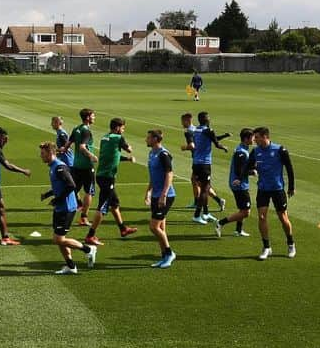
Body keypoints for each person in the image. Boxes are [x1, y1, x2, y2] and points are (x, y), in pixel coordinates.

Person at [38, 141, 96, 274]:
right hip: (60, 207)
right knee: (60, 239)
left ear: (50, 153)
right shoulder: (53, 166)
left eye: (43, 153)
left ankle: (88, 249)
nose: (41, 156)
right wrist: (48, 194)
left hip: (66, 208)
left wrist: (57, 199)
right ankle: (71, 266)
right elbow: (60, 186)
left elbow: (71, 185)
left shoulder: (59, 167)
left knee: (59, 239)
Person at [83, 118, 138, 245]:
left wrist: (127, 159)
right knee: (102, 207)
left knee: (114, 204)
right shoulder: (118, 138)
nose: (123, 130)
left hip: (102, 175)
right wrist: (129, 149)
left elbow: (111, 155)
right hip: (108, 177)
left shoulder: (105, 138)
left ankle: (123, 229)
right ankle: (90, 236)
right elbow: (128, 149)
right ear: (118, 127)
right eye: (123, 128)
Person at [247, 126, 296, 260]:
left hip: (277, 189)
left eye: (256, 137)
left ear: (264, 137)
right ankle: (267, 247)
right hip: (263, 189)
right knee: (262, 217)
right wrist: (252, 171)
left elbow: (289, 168)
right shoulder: (255, 152)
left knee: (283, 218)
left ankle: (291, 243)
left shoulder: (280, 150)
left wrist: (291, 186)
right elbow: (248, 167)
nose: (254, 140)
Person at [144, 129, 176, 269]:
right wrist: (148, 191)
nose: (146, 140)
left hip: (165, 196)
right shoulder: (152, 153)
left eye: (149, 138)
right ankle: (164, 257)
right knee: (161, 227)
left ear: (156, 139)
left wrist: (163, 194)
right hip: (156, 195)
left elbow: (169, 174)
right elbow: (153, 175)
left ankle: (169, 253)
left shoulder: (163, 154)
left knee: (153, 227)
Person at [189, 111, 229, 224]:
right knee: (204, 190)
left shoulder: (196, 130)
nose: (210, 119)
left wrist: (225, 136)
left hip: (196, 163)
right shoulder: (208, 130)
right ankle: (197, 215)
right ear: (206, 120)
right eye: (209, 118)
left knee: (205, 189)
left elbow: (212, 138)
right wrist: (224, 147)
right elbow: (216, 143)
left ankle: (206, 213)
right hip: (204, 164)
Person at [215, 128, 255, 238]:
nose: (254, 139)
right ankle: (220, 223)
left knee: (242, 209)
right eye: (252, 138)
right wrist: (252, 172)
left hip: (240, 184)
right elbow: (239, 171)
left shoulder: (243, 149)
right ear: (246, 139)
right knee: (246, 212)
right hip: (239, 185)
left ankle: (238, 230)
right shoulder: (241, 152)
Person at [181, 112, 222, 214]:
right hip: (200, 161)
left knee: (202, 185)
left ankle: (206, 206)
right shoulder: (197, 129)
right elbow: (213, 139)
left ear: (188, 120)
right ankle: (207, 206)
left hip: (200, 162)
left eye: (182, 121)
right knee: (201, 184)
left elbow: (192, 146)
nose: (181, 123)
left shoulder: (190, 132)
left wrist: (184, 148)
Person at [68, 108, 99, 225]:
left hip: (76, 165)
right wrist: (91, 156)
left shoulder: (76, 128)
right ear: (87, 118)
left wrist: (63, 150)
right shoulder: (86, 130)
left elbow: (68, 143)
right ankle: (84, 217)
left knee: (74, 189)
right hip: (86, 166)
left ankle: (68, 210)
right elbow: (82, 147)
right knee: (89, 192)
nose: (94, 118)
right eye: (93, 116)